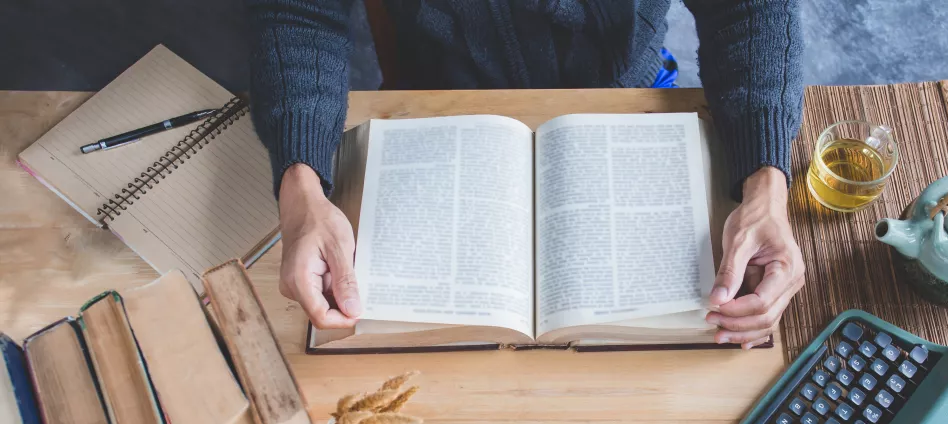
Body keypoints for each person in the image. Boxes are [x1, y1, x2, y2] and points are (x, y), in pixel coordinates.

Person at [245, 0, 805, 347]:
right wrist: (301, 187)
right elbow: (297, 10)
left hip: (629, 100)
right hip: (440, 114)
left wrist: (765, 185)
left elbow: (749, 8)